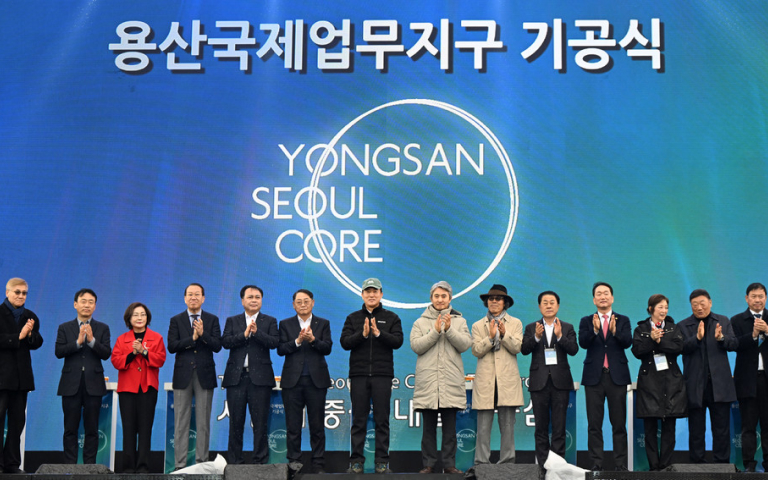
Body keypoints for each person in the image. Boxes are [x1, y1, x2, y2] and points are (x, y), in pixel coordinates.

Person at [340, 278, 403, 474]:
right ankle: (356, 461)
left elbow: (398, 341)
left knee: (382, 419)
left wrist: (378, 333)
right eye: (368, 291)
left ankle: (382, 461)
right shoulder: (353, 318)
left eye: (375, 291)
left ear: (381, 294)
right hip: (359, 375)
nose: (371, 295)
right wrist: (362, 334)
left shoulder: (392, 317)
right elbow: (344, 342)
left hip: (382, 375)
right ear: (362, 295)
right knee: (358, 420)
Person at [410, 281, 472, 474]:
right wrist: (436, 331)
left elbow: (465, 344)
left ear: (450, 298)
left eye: (443, 296)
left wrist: (449, 329)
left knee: (450, 429)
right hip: (428, 383)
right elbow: (416, 346)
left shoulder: (460, 321)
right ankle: (428, 464)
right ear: (431, 298)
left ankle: (449, 464)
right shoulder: (420, 322)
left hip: (450, 382)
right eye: (436, 296)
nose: (440, 299)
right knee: (428, 429)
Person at [221, 285, 278, 465]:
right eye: (250, 297)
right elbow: (225, 342)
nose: (254, 300)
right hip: (236, 378)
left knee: (260, 423)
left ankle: (260, 461)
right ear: (242, 300)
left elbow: (274, 342)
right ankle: (235, 462)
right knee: (235, 423)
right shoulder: (232, 321)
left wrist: (256, 332)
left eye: (257, 297)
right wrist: (244, 334)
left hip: (260, 380)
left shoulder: (269, 321)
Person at [277, 289, 333, 474]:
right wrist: (298, 341)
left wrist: (313, 340)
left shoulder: (323, 323)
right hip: (292, 382)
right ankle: (294, 464)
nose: (303, 304)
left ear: (313, 303)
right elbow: (281, 349)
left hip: (316, 382)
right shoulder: (285, 324)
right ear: (293, 305)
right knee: (293, 426)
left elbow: (327, 348)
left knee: (317, 426)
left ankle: (318, 464)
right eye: (299, 302)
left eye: (306, 301)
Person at [679, 288, 737, 463]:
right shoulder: (683, 325)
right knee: (696, 429)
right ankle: (697, 463)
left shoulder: (723, 321)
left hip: (719, 385)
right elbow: (681, 348)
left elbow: (734, 344)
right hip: (695, 385)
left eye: (702, 303)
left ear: (710, 303)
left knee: (721, 428)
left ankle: (722, 464)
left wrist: (721, 338)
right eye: (695, 304)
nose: (699, 307)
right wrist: (696, 338)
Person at [578, 282, 632, 471]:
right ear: (594, 300)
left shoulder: (623, 320)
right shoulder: (586, 320)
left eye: (606, 293)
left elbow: (627, 342)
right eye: (599, 294)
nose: (603, 296)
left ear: (612, 298)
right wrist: (594, 331)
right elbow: (583, 343)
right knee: (594, 424)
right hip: (594, 378)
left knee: (619, 424)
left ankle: (620, 465)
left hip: (617, 377)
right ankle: (596, 464)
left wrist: (615, 332)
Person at [521, 290, 578, 467]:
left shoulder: (567, 327)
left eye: (552, 302)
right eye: (545, 302)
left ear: (558, 306)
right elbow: (524, 350)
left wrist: (560, 336)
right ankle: (543, 466)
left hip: (560, 382)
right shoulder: (531, 327)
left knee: (559, 427)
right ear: (539, 307)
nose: (548, 305)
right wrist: (536, 337)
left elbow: (573, 350)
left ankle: (558, 466)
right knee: (541, 428)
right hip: (539, 383)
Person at [167, 283, 221, 469]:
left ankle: (202, 463)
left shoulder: (212, 319)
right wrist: (193, 339)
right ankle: (180, 465)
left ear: (203, 298)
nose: (193, 297)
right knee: (181, 421)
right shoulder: (176, 320)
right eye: (190, 294)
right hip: (183, 375)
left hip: (205, 375)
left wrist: (203, 334)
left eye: (197, 294)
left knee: (203, 422)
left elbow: (217, 345)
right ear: (184, 298)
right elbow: (172, 346)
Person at [55, 288, 111, 464]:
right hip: (70, 384)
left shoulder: (103, 328)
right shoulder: (65, 327)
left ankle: (89, 466)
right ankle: (69, 466)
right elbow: (59, 352)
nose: (87, 305)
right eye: (83, 301)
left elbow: (106, 353)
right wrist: (78, 342)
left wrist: (92, 341)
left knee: (92, 429)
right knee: (70, 428)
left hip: (93, 385)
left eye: (91, 302)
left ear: (95, 306)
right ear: (75, 304)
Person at [631, 294, 686, 471]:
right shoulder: (641, 329)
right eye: (660, 307)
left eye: (666, 307)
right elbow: (637, 351)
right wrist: (650, 339)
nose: (664, 310)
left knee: (669, 426)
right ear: (651, 309)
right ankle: (654, 467)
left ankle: (666, 466)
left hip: (671, 382)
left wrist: (660, 341)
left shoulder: (673, 328)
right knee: (650, 428)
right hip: (649, 382)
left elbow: (678, 348)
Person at [470, 284, 523, 466]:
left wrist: (504, 334)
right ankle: (481, 463)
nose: (494, 301)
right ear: (486, 302)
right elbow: (476, 350)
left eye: (498, 299)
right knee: (483, 427)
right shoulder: (478, 325)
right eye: (491, 299)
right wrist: (491, 338)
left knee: (507, 426)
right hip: (486, 381)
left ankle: (507, 462)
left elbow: (517, 347)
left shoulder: (515, 323)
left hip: (506, 381)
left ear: (505, 303)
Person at [111, 303, 166, 473]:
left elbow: (160, 359)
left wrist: (144, 351)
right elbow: (116, 361)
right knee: (128, 429)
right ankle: (128, 467)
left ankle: (143, 467)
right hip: (127, 389)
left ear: (147, 318)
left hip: (147, 389)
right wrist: (132, 353)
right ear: (129, 319)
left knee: (145, 429)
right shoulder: (122, 339)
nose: (140, 318)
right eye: (135, 315)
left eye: (143, 314)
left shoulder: (156, 338)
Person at [0, 278, 43, 474]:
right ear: (7, 292)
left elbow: (37, 342)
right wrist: (18, 336)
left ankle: (12, 464)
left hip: (21, 379)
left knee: (17, 423)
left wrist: (30, 334)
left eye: (24, 293)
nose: (21, 296)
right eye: (17, 292)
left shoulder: (30, 316)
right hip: (2, 378)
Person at [731, 283, 768, 472]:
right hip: (747, 381)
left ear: (766, 298)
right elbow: (734, 345)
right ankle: (749, 465)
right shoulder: (737, 320)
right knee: (748, 426)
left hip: (767, 380)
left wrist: (767, 331)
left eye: (761, 296)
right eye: (754, 296)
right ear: (747, 298)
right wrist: (753, 335)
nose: (757, 300)